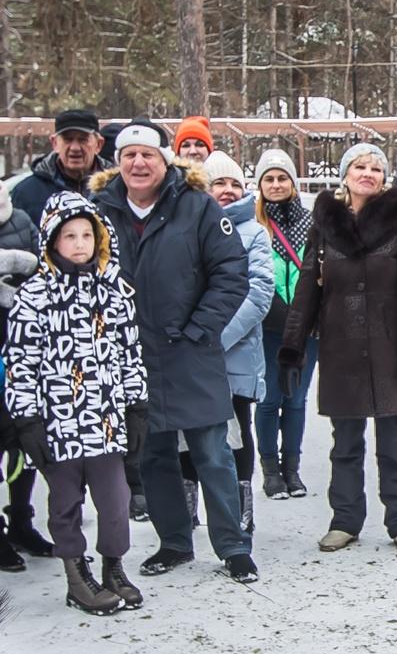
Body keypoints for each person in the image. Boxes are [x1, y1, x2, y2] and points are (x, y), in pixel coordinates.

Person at [90, 119, 258, 583]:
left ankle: (233, 546)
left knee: (212, 452)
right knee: (154, 456)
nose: (139, 163)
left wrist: (199, 328)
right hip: (130, 357)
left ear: (166, 160)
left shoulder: (198, 207)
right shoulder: (99, 210)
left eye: (148, 155)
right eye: (129, 155)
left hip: (190, 350)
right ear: (117, 163)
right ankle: (175, 543)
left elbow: (231, 273)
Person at [280, 143, 397, 556]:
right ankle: (344, 520)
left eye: (375, 167)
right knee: (344, 445)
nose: (367, 173)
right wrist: (292, 350)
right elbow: (306, 291)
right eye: (359, 166)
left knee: (396, 443)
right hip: (341, 353)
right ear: (345, 174)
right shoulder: (325, 226)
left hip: (390, 350)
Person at [5, 192, 149, 614]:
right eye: (69, 235)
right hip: (58, 427)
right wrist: (27, 420)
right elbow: (21, 361)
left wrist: (136, 405)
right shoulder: (34, 296)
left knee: (115, 502)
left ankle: (114, 566)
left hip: (105, 424)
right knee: (65, 505)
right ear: (52, 241)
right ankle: (75, 573)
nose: (80, 243)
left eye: (87, 234)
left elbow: (129, 352)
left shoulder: (115, 291)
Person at [178, 151, 272, 532]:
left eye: (235, 184)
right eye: (220, 183)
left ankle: (240, 510)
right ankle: (186, 509)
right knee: (186, 430)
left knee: (235, 430)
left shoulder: (253, 232)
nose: (229, 191)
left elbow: (259, 292)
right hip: (189, 351)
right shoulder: (187, 228)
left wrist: (215, 337)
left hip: (233, 353)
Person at [251, 148, 317, 500]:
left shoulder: (312, 223)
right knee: (269, 399)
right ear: (260, 185)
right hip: (269, 326)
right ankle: (271, 470)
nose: (276, 184)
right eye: (269, 179)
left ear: (293, 182)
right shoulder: (253, 223)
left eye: (282, 178)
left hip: (307, 328)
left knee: (296, 399)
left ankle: (292, 469)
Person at [0, 181, 50, 572]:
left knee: (24, 439)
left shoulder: (18, 218)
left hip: (22, 348)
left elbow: (42, 268)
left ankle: (21, 520)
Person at [10, 109, 107, 227]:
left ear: (99, 144)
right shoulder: (26, 193)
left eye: (83, 139)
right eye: (68, 139)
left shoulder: (116, 188)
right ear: (54, 143)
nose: (75, 148)